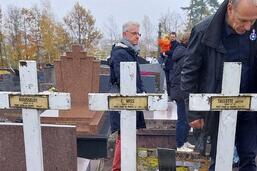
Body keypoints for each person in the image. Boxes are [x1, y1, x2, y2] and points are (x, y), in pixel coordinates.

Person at [181, 0, 257, 170]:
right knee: (220, 156)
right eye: (243, 20)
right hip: (218, 107)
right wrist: (193, 112)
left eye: (252, 21)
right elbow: (190, 72)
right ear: (230, 9)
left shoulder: (254, 27)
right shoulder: (204, 31)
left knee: (248, 156)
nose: (247, 27)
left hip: (249, 106)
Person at [108, 21, 146, 171]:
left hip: (131, 101)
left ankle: (123, 166)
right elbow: (122, 79)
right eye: (134, 33)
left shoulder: (130, 52)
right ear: (125, 34)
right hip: (125, 102)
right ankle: (117, 168)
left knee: (126, 136)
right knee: (124, 137)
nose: (137, 36)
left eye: (139, 33)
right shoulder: (120, 52)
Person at [169, 32, 195, 152]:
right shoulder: (186, 55)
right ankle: (180, 145)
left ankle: (184, 141)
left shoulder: (181, 52)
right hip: (182, 91)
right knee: (182, 119)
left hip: (180, 90)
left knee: (185, 118)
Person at [161, 32, 179, 100]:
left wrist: (166, 52)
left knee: (172, 81)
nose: (172, 38)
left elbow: (174, 53)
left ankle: (173, 96)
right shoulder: (167, 43)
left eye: (173, 37)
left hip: (173, 65)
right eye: (171, 37)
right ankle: (169, 95)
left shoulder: (177, 44)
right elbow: (162, 53)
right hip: (166, 65)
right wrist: (163, 54)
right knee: (168, 81)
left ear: (175, 37)